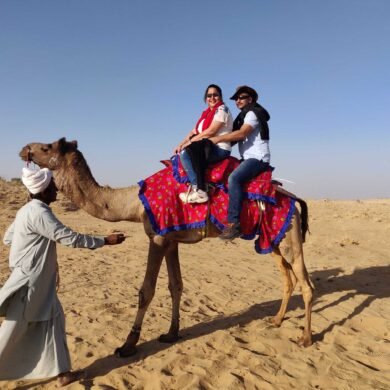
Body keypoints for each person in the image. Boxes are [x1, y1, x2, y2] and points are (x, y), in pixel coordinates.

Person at [0, 167, 125, 386]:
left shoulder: (26, 211)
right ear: (44, 190)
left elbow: (8, 239)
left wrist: (31, 245)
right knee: (13, 328)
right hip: (30, 283)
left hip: (37, 281)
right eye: (52, 185)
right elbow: (69, 238)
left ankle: (63, 373)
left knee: (54, 319)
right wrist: (105, 241)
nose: (56, 188)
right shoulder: (39, 213)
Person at [210, 85, 271, 240]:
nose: (238, 101)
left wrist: (217, 139)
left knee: (234, 178)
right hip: (248, 158)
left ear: (250, 99)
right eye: (236, 98)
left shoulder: (252, 113)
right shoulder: (243, 116)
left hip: (257, 158)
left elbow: (241, 133)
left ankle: (233, 224)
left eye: (241, 97)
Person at [174, 84, 233, 203]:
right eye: (209, 95)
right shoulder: (205, 115)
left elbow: (211, 131)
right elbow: (194, 131)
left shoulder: (222, 110)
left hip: (219, 148)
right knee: (184, 150)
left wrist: (189, 143)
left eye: (215, 95)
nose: (212, 98)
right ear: (206, 98)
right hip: (206, 146)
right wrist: (181, 144)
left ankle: (199, 190)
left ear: (220, 97)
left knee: (187, 153)